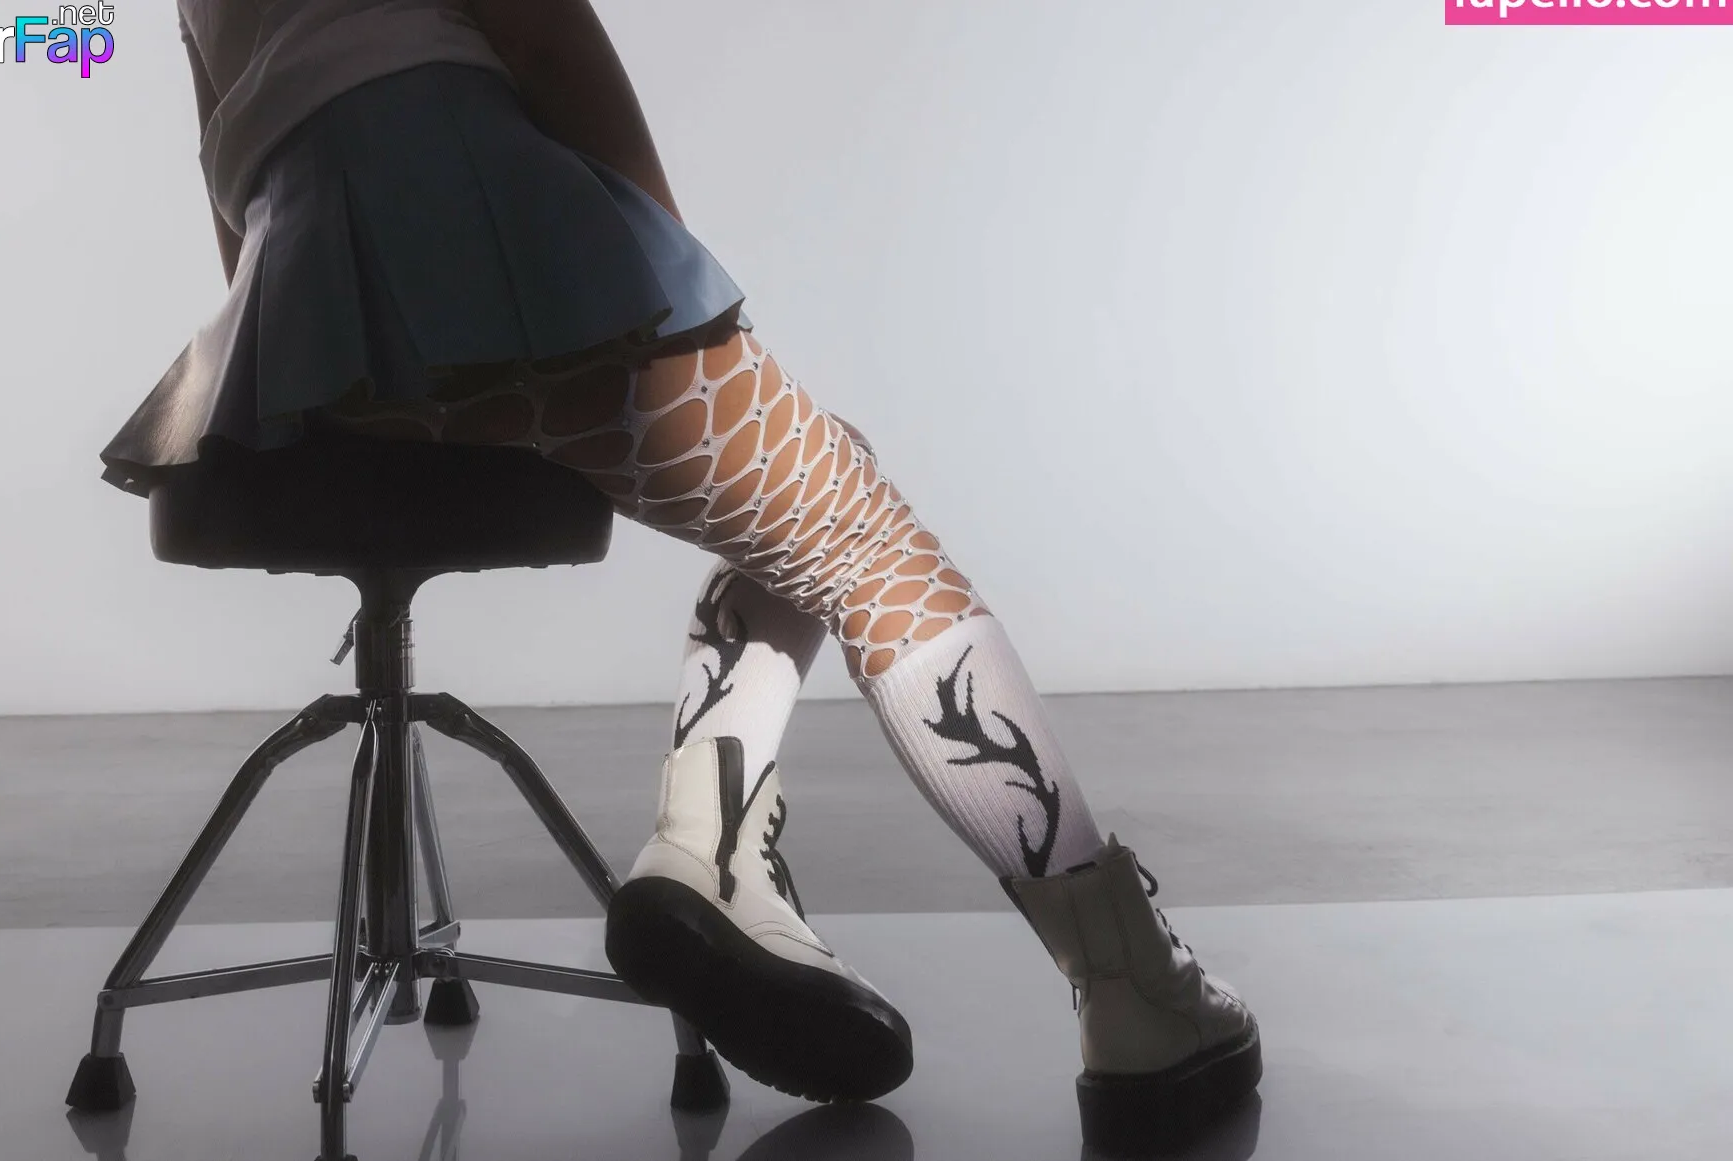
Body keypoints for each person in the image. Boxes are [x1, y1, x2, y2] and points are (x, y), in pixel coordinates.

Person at [102, 0, 1261, 1149]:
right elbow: (540, 30)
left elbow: (223, 150)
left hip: (295, 294)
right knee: (856, 541)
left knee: (810, 502)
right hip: (476, 205)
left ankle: (716, 855)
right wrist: (654, 263)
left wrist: (310, 360)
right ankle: (1129, 984)